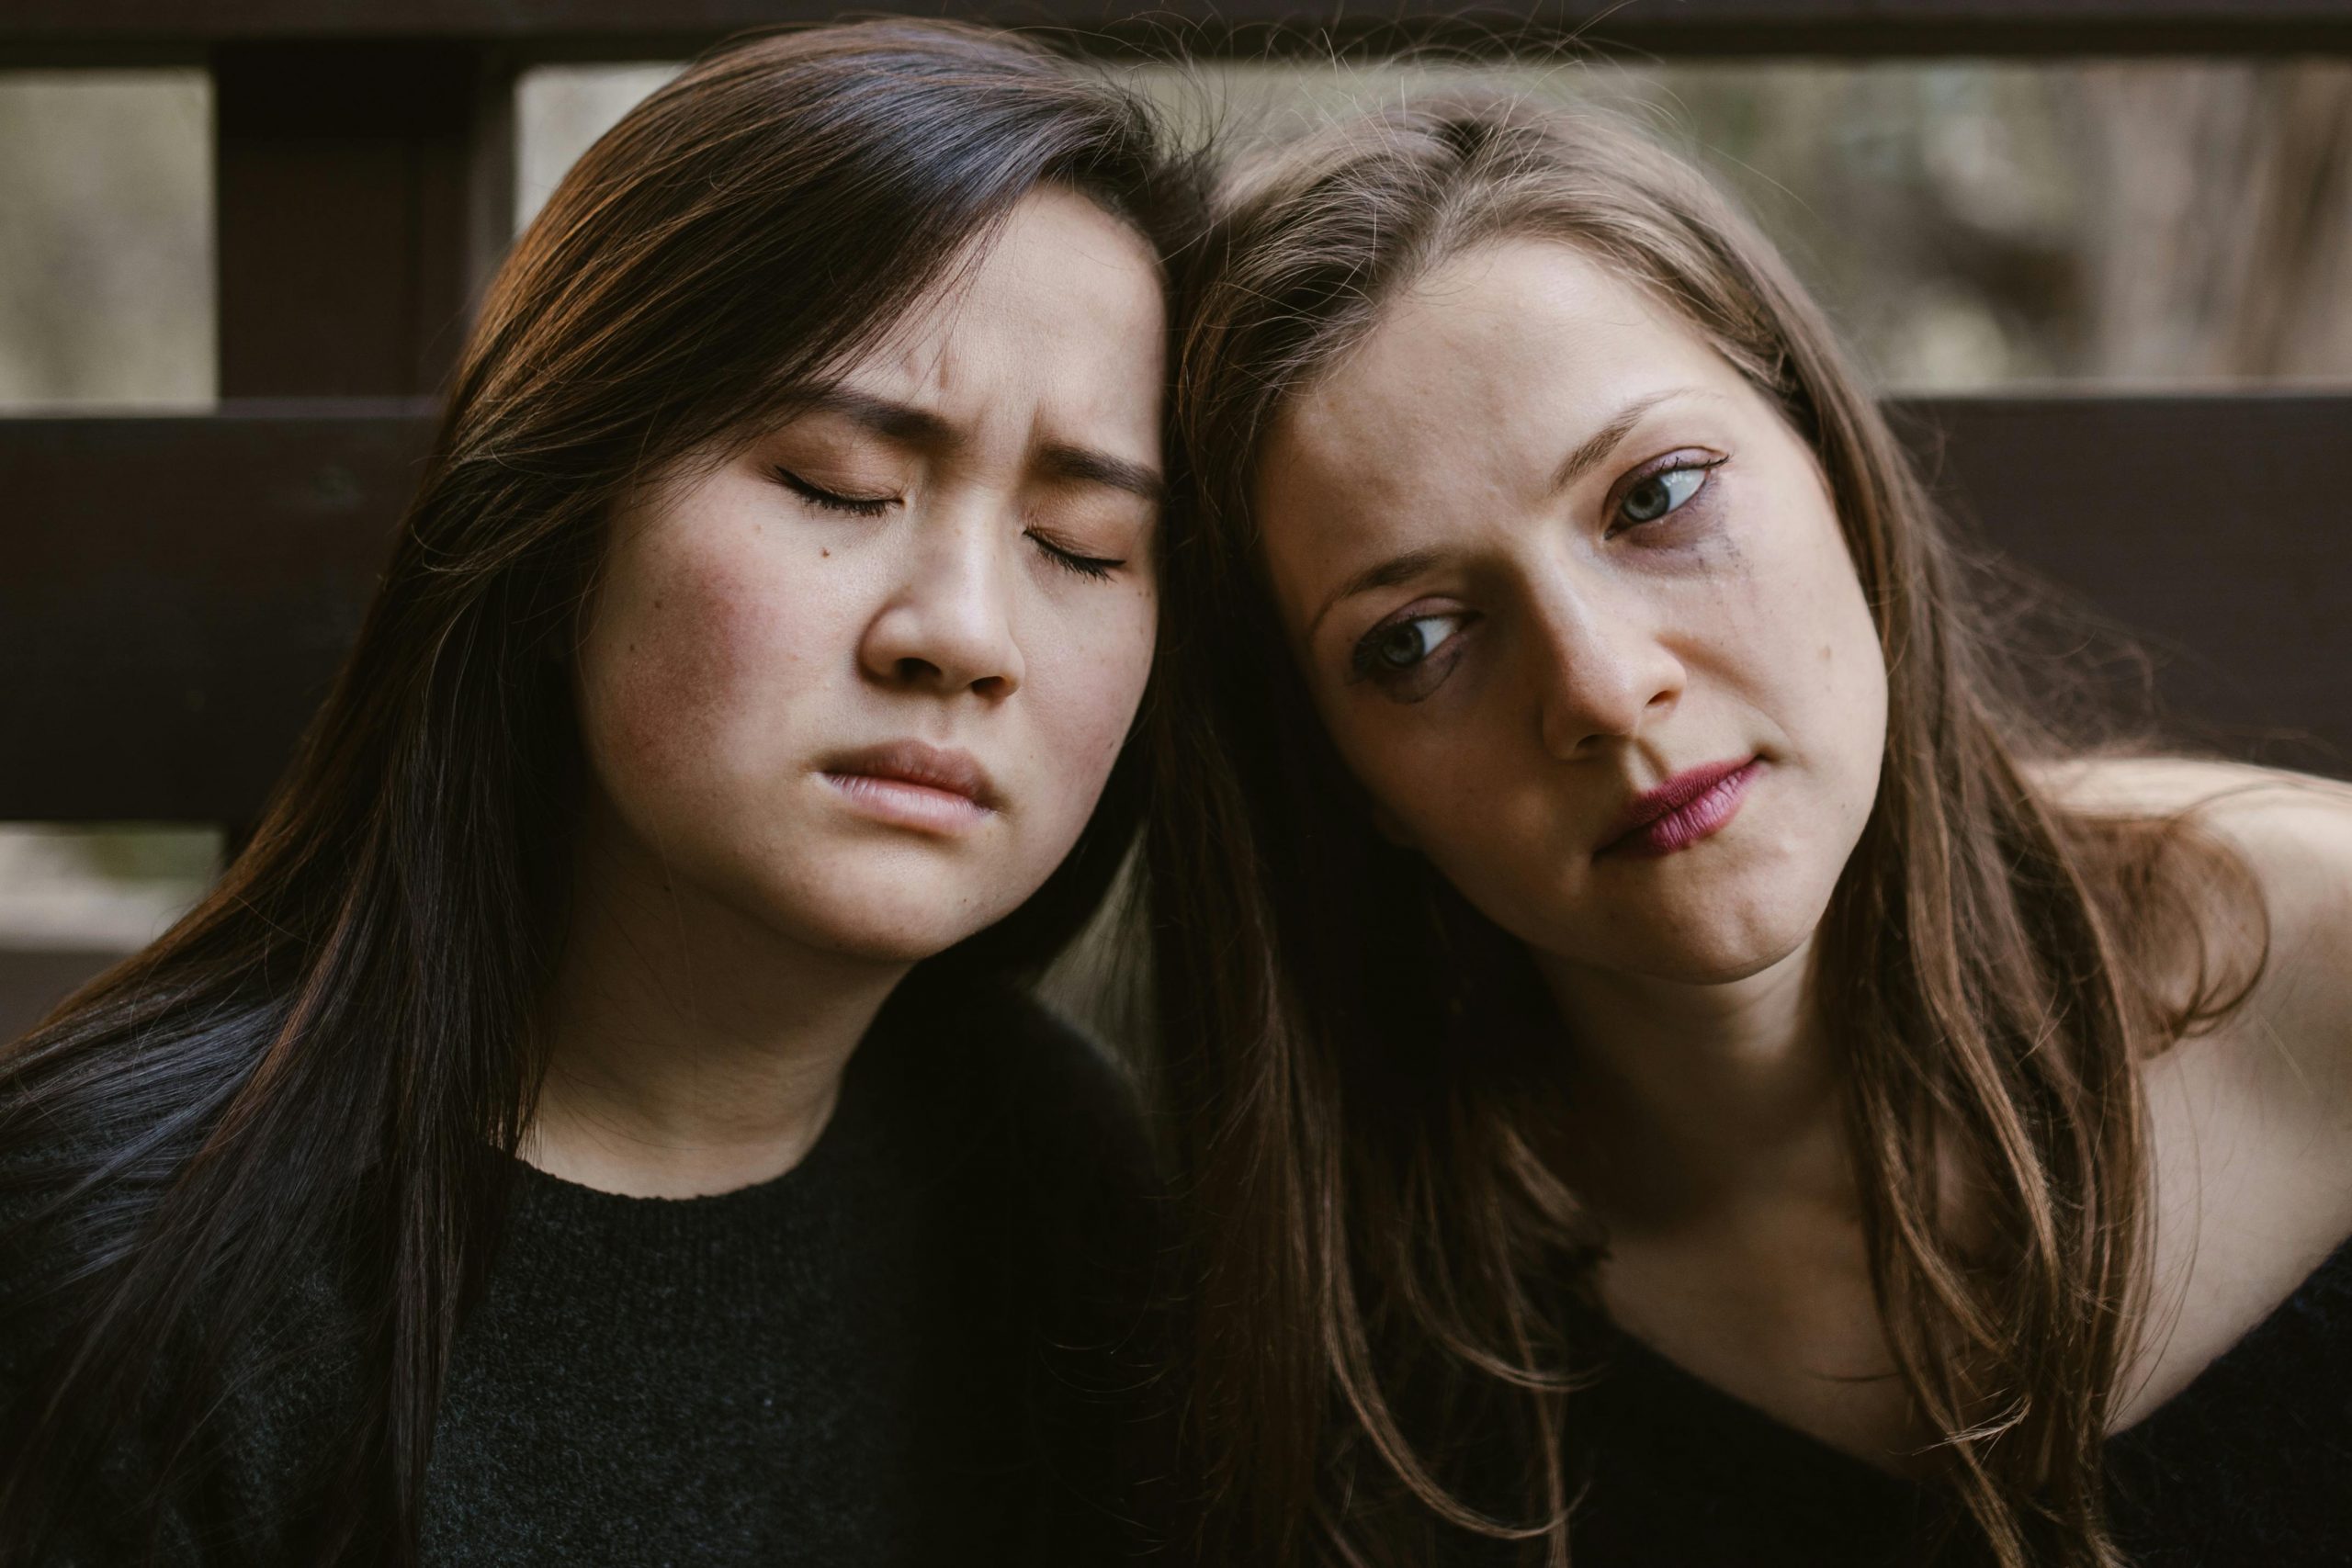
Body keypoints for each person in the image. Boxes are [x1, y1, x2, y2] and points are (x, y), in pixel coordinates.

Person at [0, 22, 1199, 1566]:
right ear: (558, 511)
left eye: (1084, 546)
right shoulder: (117, 1279)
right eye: (839, 481)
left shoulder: (1046, 1172)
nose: (962, 633)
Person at [1149, 96, 2352, 1567]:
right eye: (1417, 639)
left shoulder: (2331, 961)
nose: (1600, 685)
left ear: (1835, 470)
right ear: (1348, 781)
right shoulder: (1327, 1328)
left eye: (1655, 497)